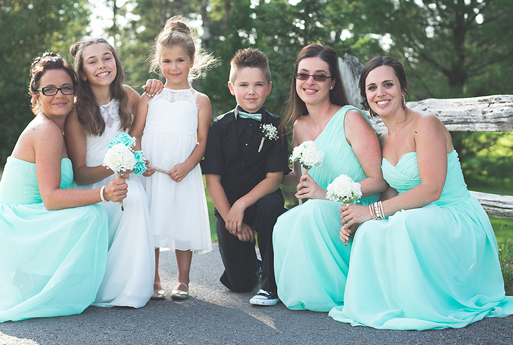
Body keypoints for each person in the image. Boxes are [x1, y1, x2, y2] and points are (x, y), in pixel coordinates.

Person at [0, 52, 127, 323]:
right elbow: (51, 199)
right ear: (36, 96)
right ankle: (63, 292)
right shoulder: (46, 130)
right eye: (49, 89)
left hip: (25, 216)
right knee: (91, 215)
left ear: (75, 92)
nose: (59, 95)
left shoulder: (61, 128)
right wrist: (102, 193)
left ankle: (67, 289)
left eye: (66, 88)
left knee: (90, 213)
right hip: (13, 223)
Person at [329, 56, 513, 330]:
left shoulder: (426, 124)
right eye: (372, 88)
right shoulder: (383, 138)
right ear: (365, 97)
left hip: (454, 216)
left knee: (405, 222)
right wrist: (360, 219)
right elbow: (391, 192)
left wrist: (372, 211)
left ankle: (425, 305)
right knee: (370, 231)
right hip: (419, 214)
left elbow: (432, 189)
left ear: (403, 88)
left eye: (388, 84)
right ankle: (389, 304)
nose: (380, 93)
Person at [272, 44, 386, 312]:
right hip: (319, 209)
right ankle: (308, 292)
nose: (309, 81)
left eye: (319, 76)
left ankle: (338, 289)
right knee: (283, 222)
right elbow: (298, 180)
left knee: (313, 211)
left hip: (355, 210)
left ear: (332, 82)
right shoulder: (299, 126)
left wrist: (324, 194)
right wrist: (270, 170)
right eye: (303, 75)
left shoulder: (351, 118)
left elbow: (379, 180)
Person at [65, 38, 163, 309]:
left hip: (128, 179)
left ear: (116, 62)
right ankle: (103, 286)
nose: (102, 65)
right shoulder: (76, 113)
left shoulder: (129, 96)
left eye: (107, 57)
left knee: (136, 197)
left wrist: (156, 87)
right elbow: (80, 174)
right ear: (82, 73)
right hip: (95, 185)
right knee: (126, 199)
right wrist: (116, 164)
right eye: (92, 61)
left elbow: (146, 127)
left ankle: (133, 286)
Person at [130, 17, 214, 300]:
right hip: (152, 169)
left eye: (180, 60)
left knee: (182, 220)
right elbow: (136, 133)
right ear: (159, 63)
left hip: (182, 171)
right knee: (151, 222)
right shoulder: (150, 97)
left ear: (192, 61)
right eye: (167, 61)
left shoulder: (199, 100)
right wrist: (140, 160)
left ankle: (183, 280)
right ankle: (154, 279)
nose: (174, 67)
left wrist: (188, 165)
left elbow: (203, 140)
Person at [202, 48, 290, 306]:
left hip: (262, 203)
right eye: (243, 85)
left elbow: (274, 179)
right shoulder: (219, 128)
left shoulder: (277, 126)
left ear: (268, 88)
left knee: (270, 207)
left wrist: (242, 205)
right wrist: (232, 216)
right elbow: (212, 181)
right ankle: (256, 265)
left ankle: (271, 286)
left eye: (258, 85)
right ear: (232, 88)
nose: (251, 91)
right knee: (239, 284)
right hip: (228, 207)